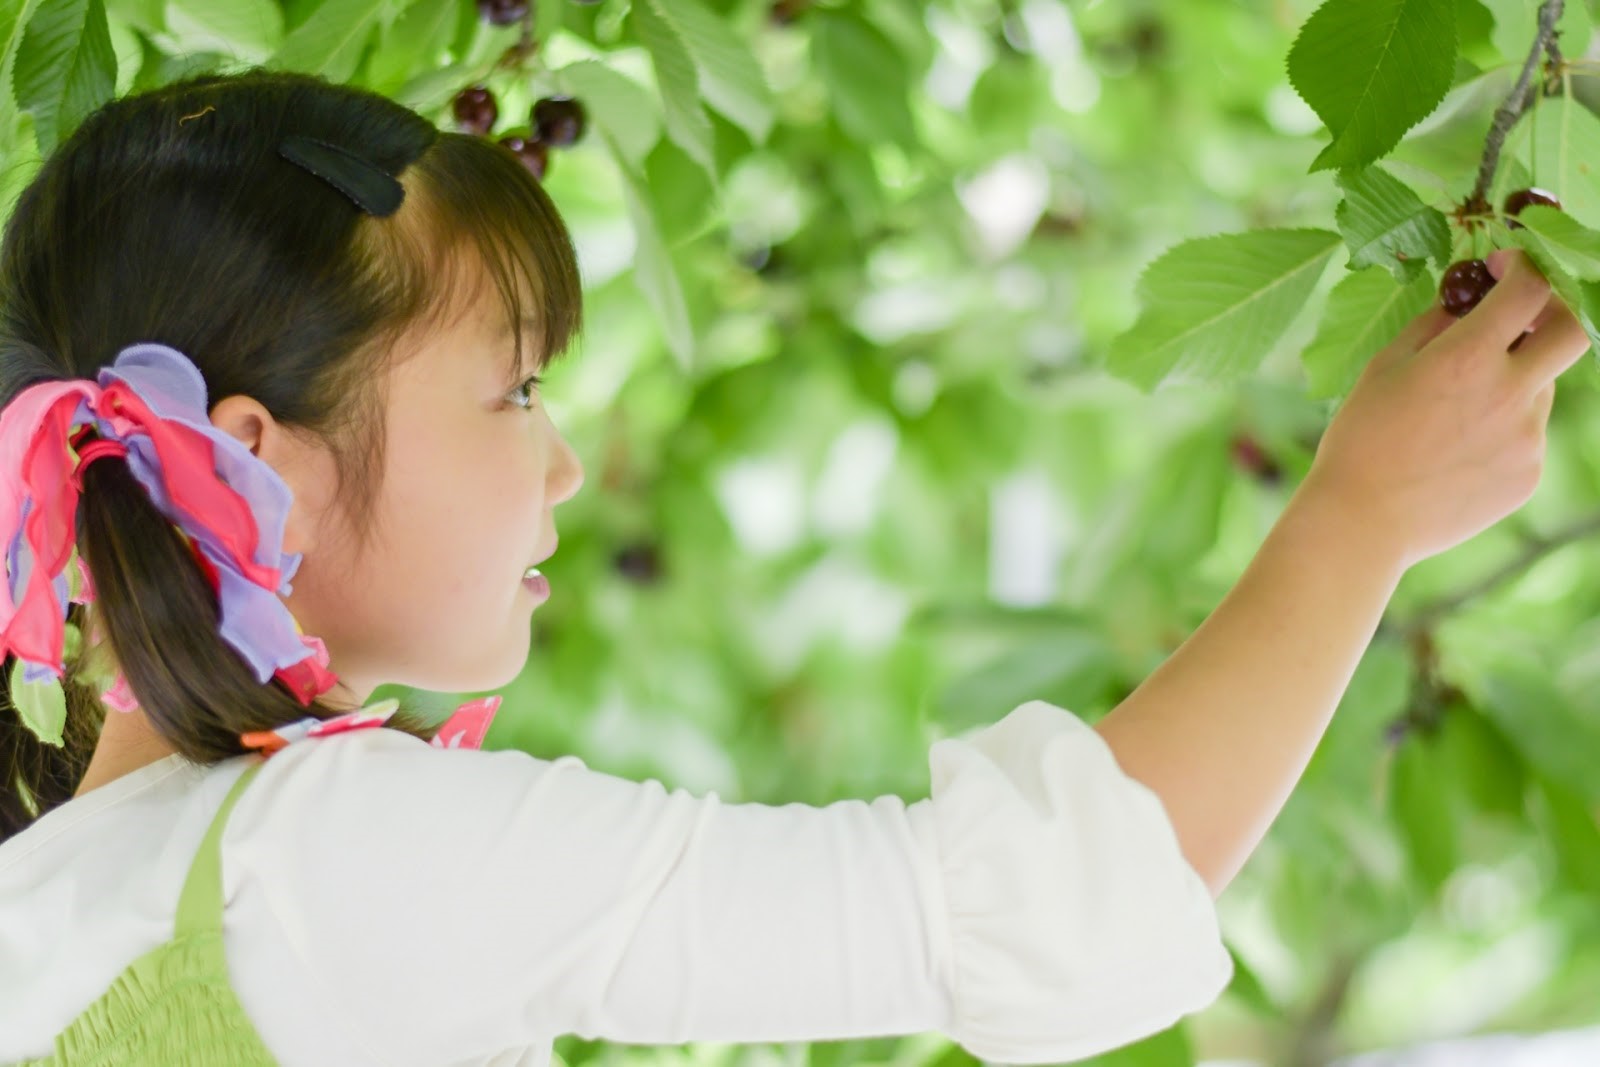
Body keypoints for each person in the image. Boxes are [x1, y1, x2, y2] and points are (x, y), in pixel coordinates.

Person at [0, 67, 1585, 1067]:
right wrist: (1361, 514)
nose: (560, 463)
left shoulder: (44, 908)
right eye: (518, 389)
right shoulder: (334, 855)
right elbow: (1032, 919)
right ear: (260, 460)